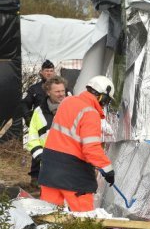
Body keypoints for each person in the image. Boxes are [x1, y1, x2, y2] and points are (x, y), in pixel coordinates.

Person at [38, 76, 116, 212]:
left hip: (49, 166)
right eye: (106, 100)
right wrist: (108, 169)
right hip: (73, 172)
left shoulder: (67, 101)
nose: (105, 104)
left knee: (47, 215)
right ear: (101, 97)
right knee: (84, 219)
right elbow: (91, 148)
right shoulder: (90, 113)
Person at [25, 76, 68, 186]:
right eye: (57, 91)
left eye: (63, 91)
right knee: (50, 201)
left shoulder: (72, 108)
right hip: (47, 167)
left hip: (70, 165)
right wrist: (41, 156)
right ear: (48, 92)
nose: (61, 94)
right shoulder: (38, 112)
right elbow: (32, 138)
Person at [22, 60, 57, 124]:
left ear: (54, 72)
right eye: (46, 71)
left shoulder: (61, 88)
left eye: (51, 71)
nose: (49, 73)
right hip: (40, 125)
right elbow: (24, 104)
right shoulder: (34, 89)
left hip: (58, 124)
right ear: (41, 72)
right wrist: (27, 117)